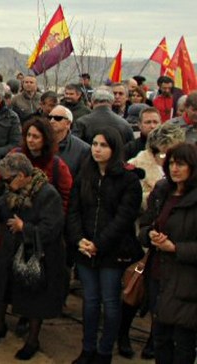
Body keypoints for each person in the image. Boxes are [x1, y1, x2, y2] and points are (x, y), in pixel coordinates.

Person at [66, 127, 143, 364]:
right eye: (95, 144)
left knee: (110, 303)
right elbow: (74, 210)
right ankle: (87, 348)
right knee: (90, 302)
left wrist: (98, 244)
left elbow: (124, 218)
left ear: (115, 148)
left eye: (104, 145)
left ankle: (104, 351)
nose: (97, 149)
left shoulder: (128, 179)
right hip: (85, 249)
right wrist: (79, 239)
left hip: (112, 251)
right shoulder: (85, 174)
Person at [0, 153, 67, 360]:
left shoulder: (47, 194)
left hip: (37, 254)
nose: (6, 183)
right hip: (10, 249)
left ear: (21, 175)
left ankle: (32, 340)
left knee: (34, 298)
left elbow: (52, 228)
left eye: (8, 179)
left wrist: (24, 227)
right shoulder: (11, 192)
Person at [138, 143, 197, 364]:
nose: (174, 168)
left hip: (186, 282)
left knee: (182, 342)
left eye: (180, 164)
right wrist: (150, 235)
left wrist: (176, 248)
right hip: (158, 274)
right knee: (160, 338)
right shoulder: (162, 191)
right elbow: (144, 225)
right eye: (171, 163)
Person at [48, 105, 90, 178]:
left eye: (58, 118)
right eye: (49, 117)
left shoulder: (83, 149)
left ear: (68, 123)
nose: (52, 121)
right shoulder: (39, 142)